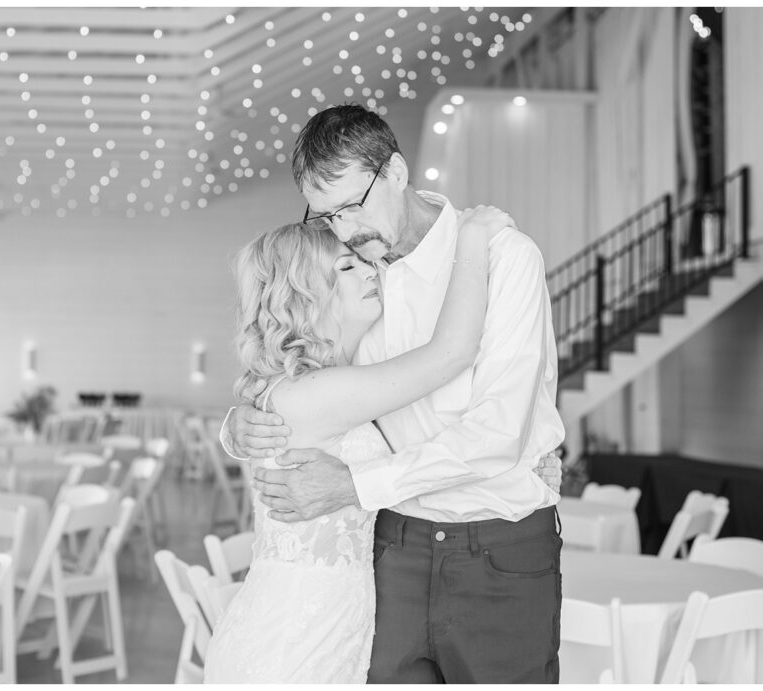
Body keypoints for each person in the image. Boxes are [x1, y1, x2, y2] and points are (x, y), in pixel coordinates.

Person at [222, 104, 566, 683]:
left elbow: (497, 433)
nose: (346, 231)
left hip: (499, 547)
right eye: (327, 216)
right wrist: (241, 424)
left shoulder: (506, 259)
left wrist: (353, 484)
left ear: (398, 173)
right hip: (391, 551)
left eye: (352, 206)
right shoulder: (357, 278)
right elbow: (304, 373)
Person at [204, 206, 513, 682]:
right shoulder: (317, 393)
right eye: (347, 267)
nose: (370, 271)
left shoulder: (317, 386)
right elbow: (451, 353)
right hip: (294, 639)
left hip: (328, 622)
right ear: (306, 295)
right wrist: (471, 240)